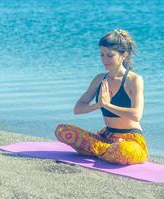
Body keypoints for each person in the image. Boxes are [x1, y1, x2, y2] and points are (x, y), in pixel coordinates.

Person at [55, 29, 148, 165]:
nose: (105, 60)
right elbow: (78, 109)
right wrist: (98, 105)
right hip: (106, 137)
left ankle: (100, 150)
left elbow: (136, 115)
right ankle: (105, 149)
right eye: (102, 55)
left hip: (131, 141)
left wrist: (108, 105)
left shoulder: (134, 80)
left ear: (124, 55)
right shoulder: (99, 79)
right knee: (62, 131)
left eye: (110, 55)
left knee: (122, 150)